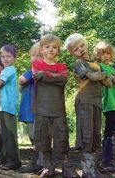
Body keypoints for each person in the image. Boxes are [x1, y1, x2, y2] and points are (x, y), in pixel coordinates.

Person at [65, 33, 111, 177]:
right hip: (84, 101)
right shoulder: (79, 63)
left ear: (86, 44)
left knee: (96, 134)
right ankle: (87, 170)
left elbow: (109, 84)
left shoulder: (95, 64)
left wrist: (103, 75)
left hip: (97, 102)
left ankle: (94, 168)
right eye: (76, 49)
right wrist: (104, 75)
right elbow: (91, 76)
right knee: (87, 134)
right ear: (72, 53)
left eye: (82, 46)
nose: (81, 50)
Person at [31, 34, 77, 177]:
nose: (51, 50)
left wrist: (45, 75)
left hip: (58, 109)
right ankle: (48, 167)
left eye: (55, 47)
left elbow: (63, 79)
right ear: (42, 50)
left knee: (62, 137)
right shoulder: (36, 64)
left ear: (58, 51)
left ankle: (66, 167)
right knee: (43, 138)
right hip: (41, 108)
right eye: (47, 47)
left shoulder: (62, 66)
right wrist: (52, 76)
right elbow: (36, 76)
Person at [0, 44, 21, 170]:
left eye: (9, 56)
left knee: (8, 133)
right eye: (3, 56)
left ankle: (14, 161)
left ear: (14, 58)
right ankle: (7, 159)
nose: (5, 59)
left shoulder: (9, 70)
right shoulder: (3, 71)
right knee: (2, 134)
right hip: (0, 106)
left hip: (7, 106)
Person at [94, 41, 115, 173]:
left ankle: (108, 162)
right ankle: (109, 161)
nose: (106, 56)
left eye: (108, 53)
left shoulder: (114, 68)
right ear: (98, 55)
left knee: (109, 133)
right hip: (109, 104)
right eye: (103, 53)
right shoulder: (99, 66)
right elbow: (110, 80)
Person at [19, 42, 43, 173]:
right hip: (29, 111)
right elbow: (20, 85)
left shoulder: (34, 72)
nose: (35, 58)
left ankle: (38, 161)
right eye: (33, 55)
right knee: (33, 135)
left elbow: (21, 80)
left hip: (35, 111)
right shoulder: (31, 72)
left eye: (39, 55)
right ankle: (38, 160)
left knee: (37, 136)